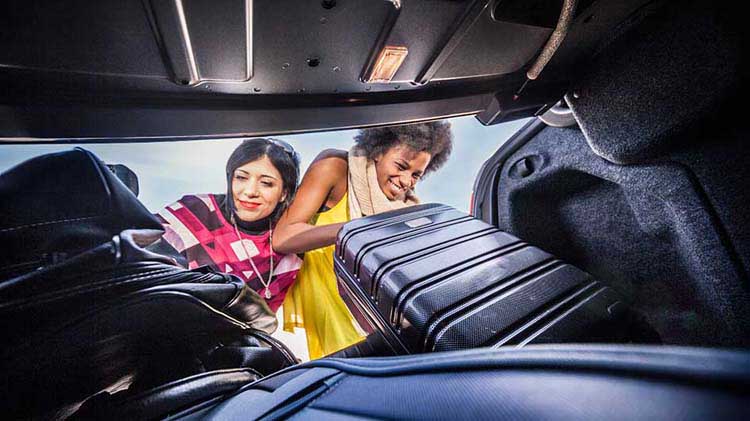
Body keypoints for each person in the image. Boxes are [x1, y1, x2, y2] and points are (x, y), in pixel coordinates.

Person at [275, 121, 453, 358]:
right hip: (332, 315)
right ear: (378, 150)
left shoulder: (407, 209)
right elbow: (284, 237)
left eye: (416, 175)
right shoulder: (336, 167)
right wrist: (358, 230)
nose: (405, 181)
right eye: (401, 166)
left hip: (380, 326)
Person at [154, 138, 302, 315]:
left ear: (284, 193)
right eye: (241, 178)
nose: (250, 191)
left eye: (266, 183)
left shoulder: (291, 246)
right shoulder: (192, 212)